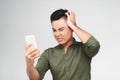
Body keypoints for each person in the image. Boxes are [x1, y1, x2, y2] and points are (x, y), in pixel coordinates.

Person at [24, 9, 100, 80]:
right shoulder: (49, 54)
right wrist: (29, 64)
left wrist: (74, 25)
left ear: (70, 28)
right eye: (54, 30)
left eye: (61, 29)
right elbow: (35, 78)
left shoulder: (84, 48)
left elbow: (94, 45)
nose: (57, 34)